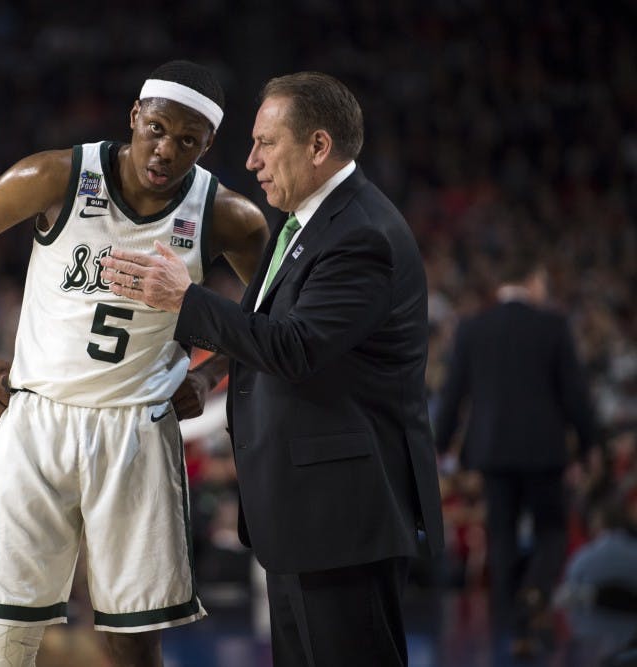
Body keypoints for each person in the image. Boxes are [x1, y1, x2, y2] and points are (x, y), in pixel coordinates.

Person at [0, 60, 268, 666]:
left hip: (136, 428)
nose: (165, 150)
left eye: (187, 141)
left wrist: (213, 372)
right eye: (157, 129)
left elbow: (274, 319)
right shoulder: (58, 174)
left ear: (208, 144)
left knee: (131, 644)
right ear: (135, 116)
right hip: (39, 421)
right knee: (8, 632)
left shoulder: (226, 214)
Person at [101, 71, 445, 667]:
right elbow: (260, 328)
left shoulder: (361, 234)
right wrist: (207, 377)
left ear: (317, 146)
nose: (251, 160)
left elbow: (294, 347)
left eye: (266, 143)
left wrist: (183, 298)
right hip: (302, 517)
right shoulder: (305, 224)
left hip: (342, 517)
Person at [433, 254, 597, 658]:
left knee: (502, 534)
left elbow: (453, 394)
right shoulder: (553, 325)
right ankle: (536, 593)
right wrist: (593, 443)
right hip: (545, 451)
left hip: (493, 452)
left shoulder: (473, 328)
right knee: (552, 530)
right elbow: (575, 395)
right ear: (532, 281)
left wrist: (440, 445)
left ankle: (510, 628)